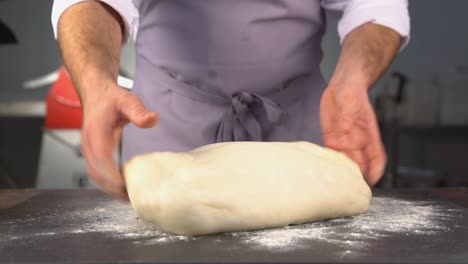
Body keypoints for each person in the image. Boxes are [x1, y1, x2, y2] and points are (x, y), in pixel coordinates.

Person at [52, 0, 410, 199]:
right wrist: (97, 82)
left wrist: (353, 78)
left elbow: (376, 6)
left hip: (295, 133)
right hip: (165, 128)